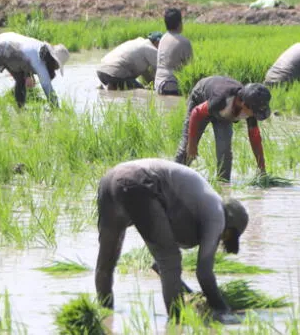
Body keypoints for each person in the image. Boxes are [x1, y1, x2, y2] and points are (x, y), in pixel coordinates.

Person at [95, 158, 248, 323]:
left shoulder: (197, 204)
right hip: (139, 182)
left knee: (107, 261)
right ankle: (177, 322)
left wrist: (190, 293)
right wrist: (223, 310)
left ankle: (104, 317)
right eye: (228, 236)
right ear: (230, 227)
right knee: (170, 260)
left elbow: (160, 265)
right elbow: (204, 273)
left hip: (110, 180)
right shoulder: (217, 215)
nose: (221, 239)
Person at [175, 76, 271, 182]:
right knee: (186, 149)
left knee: (224, 151)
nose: (254, 115)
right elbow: (196, 113)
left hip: (223, 113)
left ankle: (223, 185)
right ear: (243, 104)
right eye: (254, 111)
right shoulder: (222, 99)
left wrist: (262, 169)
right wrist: (192, 144)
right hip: (201, 98)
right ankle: (173, 179)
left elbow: (255, 138)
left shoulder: (251, 106)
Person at [0, 32, 69, 108]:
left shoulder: (41, 52)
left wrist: (28, 75)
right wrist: (57, 111)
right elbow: (48, 89)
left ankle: (20, 111)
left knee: (21, 81)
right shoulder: (39, 62)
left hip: (11, 54)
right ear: (53, 60)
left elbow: (24, 54)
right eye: (57, 66)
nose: (56, 68)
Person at [96, 32, 163, 90]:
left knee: (127, 85)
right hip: (114, 74)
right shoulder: (151, 49)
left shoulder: (138, 43)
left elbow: (145, 73)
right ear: (158, 42)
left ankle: (109, 86)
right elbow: (162, 69)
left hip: (101, 72)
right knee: (141, 91)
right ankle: (112, 86)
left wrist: (151, 83)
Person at [155, 8, 193, 96]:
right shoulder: (183, 41)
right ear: (179, 24)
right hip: (171, 85)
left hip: (158, 83)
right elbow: (191, 68)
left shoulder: (163, 38)